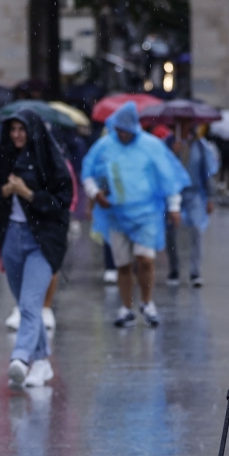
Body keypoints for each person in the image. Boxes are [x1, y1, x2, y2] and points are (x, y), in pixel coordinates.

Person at [0, 112, 73, 387]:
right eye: (13, 129)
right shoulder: (3, 155)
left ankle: (20, 358)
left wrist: (29, 194)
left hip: (43, 241)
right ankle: (42, 362)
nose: (17, 135)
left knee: (32, 304)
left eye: (22, 129)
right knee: (25, 304)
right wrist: (5, 191)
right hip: (11, 238)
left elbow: (62, 202)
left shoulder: (49, 159)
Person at [82, 102, 189, 327]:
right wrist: (94, 193)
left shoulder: (151, 146)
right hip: (116, 214)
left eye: (126, 130)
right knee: (123, 264)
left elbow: (167, 176)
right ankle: (126, 307)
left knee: (145, 259)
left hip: (147, 213)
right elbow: (88, 172)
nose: (122, 134)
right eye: (119, 130)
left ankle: (147, 303)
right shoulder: (104, 146)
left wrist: (174, 206)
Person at [165, 119, 220, 287]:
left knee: (196, 229)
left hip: (195, 193)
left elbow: (208, 172)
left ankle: (195, 272)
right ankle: (174, 269)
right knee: (171, 232)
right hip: (173, 191)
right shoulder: (168, 143)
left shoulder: (201, 146)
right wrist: (173, 153)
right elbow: (162, 168)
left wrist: (210, 197)